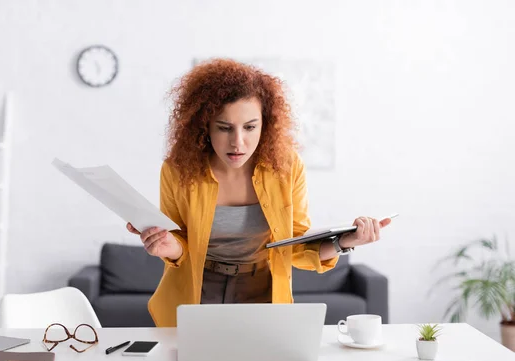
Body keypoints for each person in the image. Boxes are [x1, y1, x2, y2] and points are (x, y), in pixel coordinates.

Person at [127, 58, 392, 327]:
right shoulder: (178, 169)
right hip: (196, 290)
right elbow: (179, 242)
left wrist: (347, 241)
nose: (238, 142)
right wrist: (169, 247)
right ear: (204, 126)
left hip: (263, 290)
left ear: (266, 125)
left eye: (250, 127)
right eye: (224, 127)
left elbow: (296, 246)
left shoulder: (287, 168)